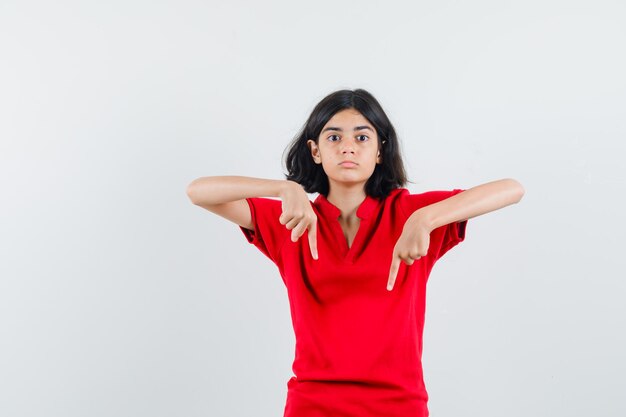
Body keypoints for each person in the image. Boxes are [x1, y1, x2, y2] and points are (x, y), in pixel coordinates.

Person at [186, 88, 525, 417]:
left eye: (362, 138)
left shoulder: (409, 214)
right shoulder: (290, 220)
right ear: (315, 150)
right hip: (312, 405)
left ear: (380, 150)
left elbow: (512, 189)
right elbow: (198, 191)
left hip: (399, 405)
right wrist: (281, 188)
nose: (348, 147)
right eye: (334, 137)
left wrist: (425, 218)